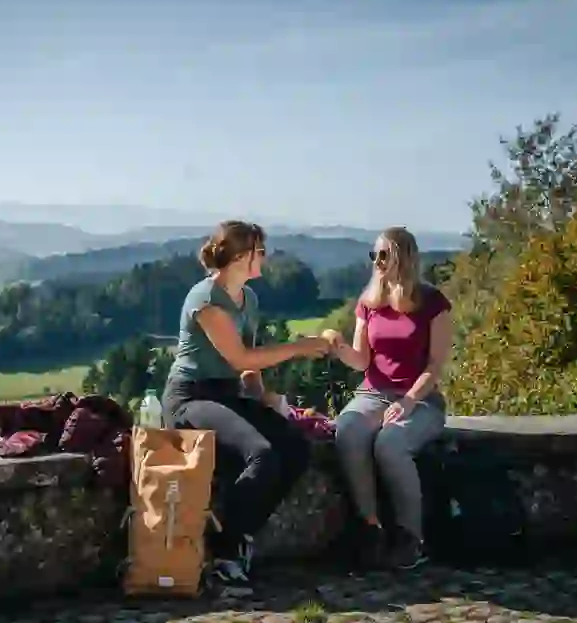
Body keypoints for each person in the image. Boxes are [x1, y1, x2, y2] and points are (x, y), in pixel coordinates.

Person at [162, 220, 332, 590]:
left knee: (295, 448)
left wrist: (262, 399)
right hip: (190, 398)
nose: (265, 258)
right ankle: (224, 554)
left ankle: (241, 534)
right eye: (260, 251)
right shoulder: (206, 299)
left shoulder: (248, 299)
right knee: (262, 454)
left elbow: (247, 368)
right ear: (240, 257)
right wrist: (300, 347)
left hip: (226, 394)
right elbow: (239, 357)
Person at [324, 226, 453, 570]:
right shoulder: (369, 304)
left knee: (390, 443)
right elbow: (362, 360)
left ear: (404, 257)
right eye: (374, 255)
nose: (377, 262)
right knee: (348, 430)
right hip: (373, 392)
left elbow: (435, 365)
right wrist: (338, 348)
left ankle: (412, 538)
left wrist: (408, 401)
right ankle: (371, 528)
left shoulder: (432, 303)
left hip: (420, 399)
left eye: (385, 254)